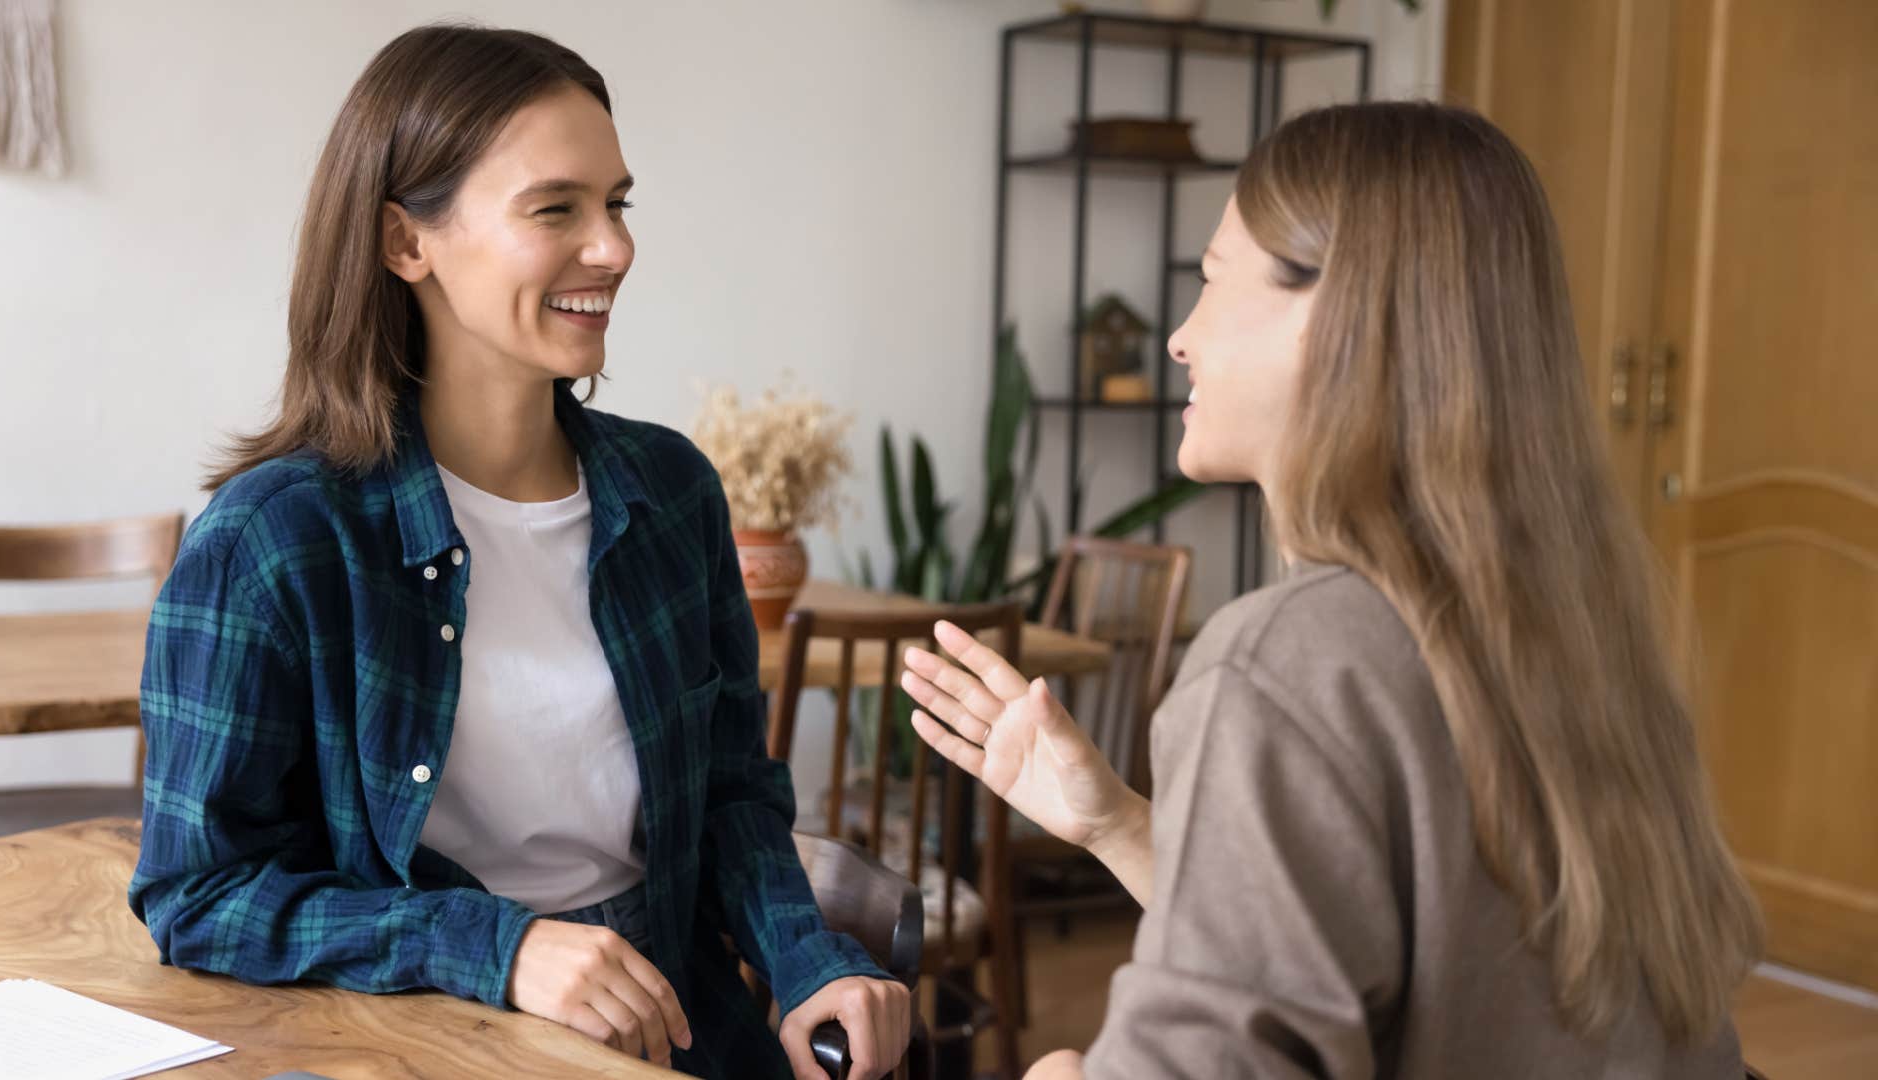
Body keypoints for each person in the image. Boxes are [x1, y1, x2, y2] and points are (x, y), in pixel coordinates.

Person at [902, 101, 1762, 1079]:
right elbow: (1419, 977)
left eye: (1212, 280)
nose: (1178, 338)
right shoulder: (1579, 633)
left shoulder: (1289, 660)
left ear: (1337, 312)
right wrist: (1119, 825)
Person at [127, 24, 907, 1080]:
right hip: (424, 1039)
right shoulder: (273, 540)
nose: (614, 248)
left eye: (617, 204)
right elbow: (199, 897)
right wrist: (500, 947)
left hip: (680, 1026)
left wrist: (810, 962)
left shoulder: (672, 491)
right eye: (556, 209)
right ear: (406, 243)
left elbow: (732, 797)